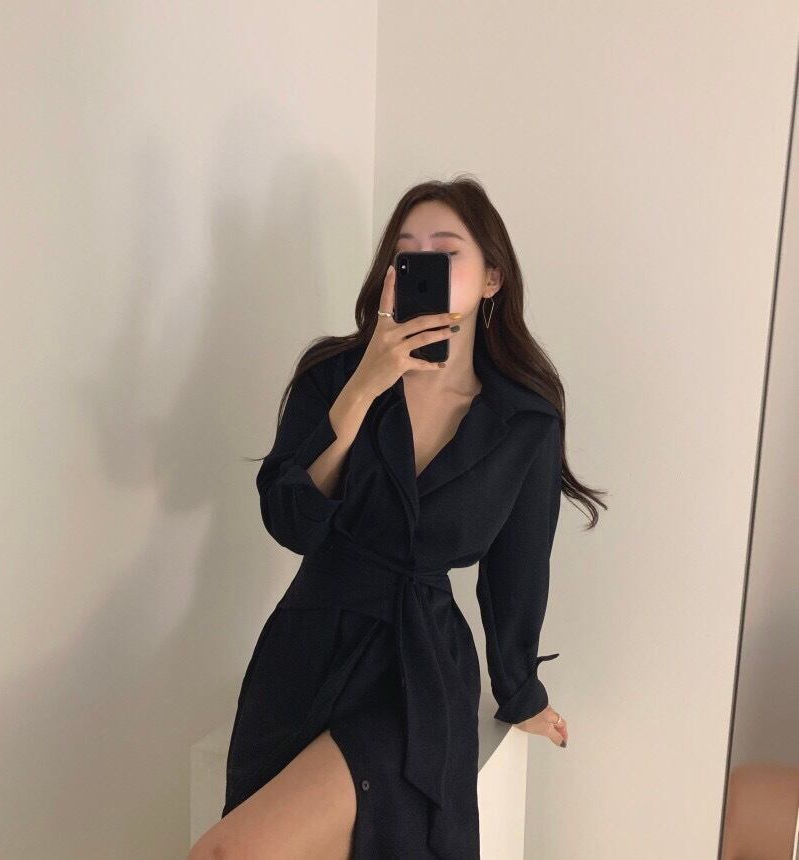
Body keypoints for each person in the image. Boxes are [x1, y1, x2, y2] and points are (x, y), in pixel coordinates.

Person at [188, 176, 606, 859]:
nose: (422, 264)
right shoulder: (334, 375)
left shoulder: (524, 420)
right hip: (307, 646)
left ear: (492, 278)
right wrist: (365, 387)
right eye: (407, 253)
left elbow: (517, 572)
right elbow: (291, 522)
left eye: (446, 251)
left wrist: (520, 691)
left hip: (418, 672)